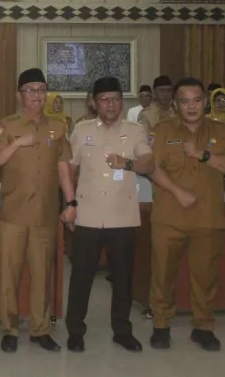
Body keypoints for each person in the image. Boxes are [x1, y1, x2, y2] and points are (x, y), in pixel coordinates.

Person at [0, 68, 77, 354]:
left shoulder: (58, 127)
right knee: (10, 276)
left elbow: (63, 168)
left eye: (41, 90)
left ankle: (41, 330)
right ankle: (10, 329)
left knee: (42, 275)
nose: (37, 95)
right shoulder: (6, 126)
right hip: (13, 215)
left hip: (45, 215)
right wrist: (17, 143)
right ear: (19, 95)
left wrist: (71, 203)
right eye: (31, 90)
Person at [64, 77, 154, 353]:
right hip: (88, 215)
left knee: (123, 278)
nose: (110, 104)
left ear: (122, 102)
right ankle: (75, 331)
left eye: (115, 98)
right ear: (94, 103)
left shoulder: (135, 130)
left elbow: (148, 162)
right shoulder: (81, 130)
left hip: (122, 216)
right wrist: (70, 203)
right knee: (81, 277)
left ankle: (122, 331)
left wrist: (127, 163)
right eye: (104, 99)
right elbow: (69, 168)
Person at [147, 77, 225, 352]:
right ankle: (161, 325)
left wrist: (203, 155)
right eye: (184, 101)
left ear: (205, 102)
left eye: (196, 100)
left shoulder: (221, 131)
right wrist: (178, 192)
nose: (191, 106)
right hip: (169, 217)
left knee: (206, 277)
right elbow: (152, 168)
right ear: (175, 104)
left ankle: (203, 327)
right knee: (163, 274)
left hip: (207, 218)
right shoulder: (162, 131)